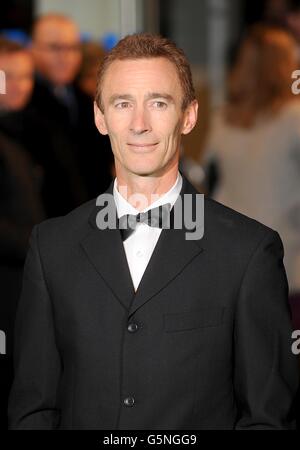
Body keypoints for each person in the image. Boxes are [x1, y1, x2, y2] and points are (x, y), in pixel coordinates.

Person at [8, 33, 299, 430]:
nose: (140, 124)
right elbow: (34, 408)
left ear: (189, 115)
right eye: (123, 103)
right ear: (100, 117)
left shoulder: (247, 253)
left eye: (158, 103)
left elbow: (265, 418)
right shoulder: (51, 247)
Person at [202, 25, 300, 330]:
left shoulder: (223, 119)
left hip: (231, 257)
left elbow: (209, 181)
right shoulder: (294, 118)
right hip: (288, 257)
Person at [30, 13, 113, 200]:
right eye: (54, 48)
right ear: (33, 49)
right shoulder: (22, 104)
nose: (65, 56)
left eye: (73, 48)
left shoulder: (86, 101)